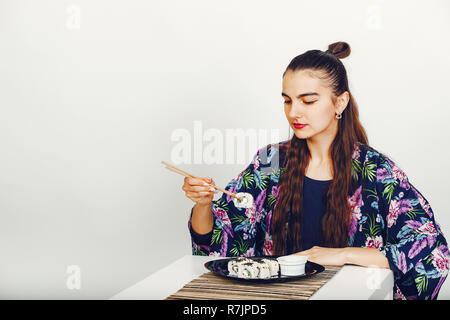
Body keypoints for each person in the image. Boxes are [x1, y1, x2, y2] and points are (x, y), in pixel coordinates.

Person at [181, 41, 449, 300]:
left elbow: (427, 249)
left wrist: (342, 254)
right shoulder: (270, 161)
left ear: (340, 102)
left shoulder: (377, 171)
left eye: (307, 101)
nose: (294, 112)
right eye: (287, 101)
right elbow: (218, 243)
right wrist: (204, 205)